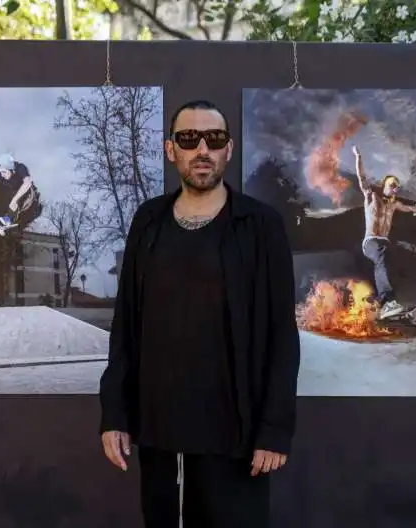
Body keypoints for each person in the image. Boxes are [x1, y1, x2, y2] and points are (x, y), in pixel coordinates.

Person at [98, 100, 300, 528]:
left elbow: (283, 332)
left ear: (229, 150)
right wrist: (114, 413)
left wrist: (274, 429)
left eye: (215, 139)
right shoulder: (148, 221)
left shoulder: (260, 225)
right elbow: (126, 327)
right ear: (171, 150)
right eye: (189, 139)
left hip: (236, 436)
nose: (202, 149)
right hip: (158, 431)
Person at [353, 145, 416, 319]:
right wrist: (358, 156)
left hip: (386, 242)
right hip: (371, 242)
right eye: (392, 185)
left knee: (413, 250)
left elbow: (410, 208)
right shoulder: (371, 196)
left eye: (397, 187)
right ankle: (386, 302)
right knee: (382, 254)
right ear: (384, 185)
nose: (395, 189)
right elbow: (361, 178)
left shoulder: (393, 204)